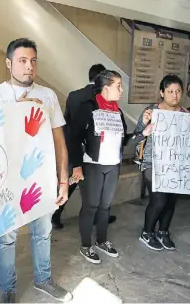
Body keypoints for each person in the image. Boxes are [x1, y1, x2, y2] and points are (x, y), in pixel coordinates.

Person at [0, 38, 72, 303]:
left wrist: (63, 180)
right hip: (5, 180)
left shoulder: (48, 95)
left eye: (33, 61)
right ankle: (8, 289)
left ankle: (44, 279)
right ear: (9, 63)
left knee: (42, 232)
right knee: (6, 237)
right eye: (22, 61)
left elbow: (59, 140)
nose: (29, 66)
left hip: (41, 178)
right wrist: (17, 111)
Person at [52, 64, 118, 229]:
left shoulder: (74, 95)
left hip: (72, 144)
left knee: (73, 181)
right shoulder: (100, 97)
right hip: (92, 147)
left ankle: (56, 213)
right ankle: (97, 216)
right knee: (95, 184)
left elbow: (66, 119)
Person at [69, 70, 125, 264]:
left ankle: (102, 240)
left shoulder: (117, 111)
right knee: (91, 206)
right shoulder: (88, 107)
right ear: (106, 87)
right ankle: (86, 245)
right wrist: (76, 165)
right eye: (118, 86)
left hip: (113, 165)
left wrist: (143, 130)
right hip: (93, 165)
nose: (121, 90)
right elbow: (73, 137)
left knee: (105, 206)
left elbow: (122, 140)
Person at [134, 75, 187, 251]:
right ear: (162, 93)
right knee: (159, 200)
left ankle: (163, 232)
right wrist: (144, 124)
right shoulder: (151, 112)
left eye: (178, 91)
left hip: (176, 163)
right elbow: (136, 135)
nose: (175, 95)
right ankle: (147, 232)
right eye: (170, 91)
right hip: (152, 162)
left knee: (171, 200)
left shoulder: (186, 115)